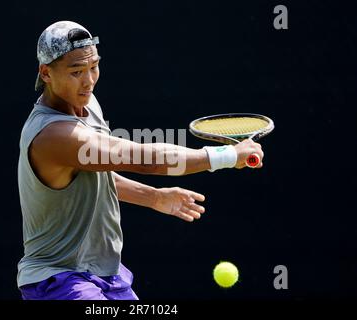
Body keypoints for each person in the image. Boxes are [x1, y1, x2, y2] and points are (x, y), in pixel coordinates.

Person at [17, 21, 264, 300]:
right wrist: (226, 156)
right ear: (46, 73)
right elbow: (146, 158)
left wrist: (153, 197)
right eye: (76, 72)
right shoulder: (54, 135)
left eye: (93, 67)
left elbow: (97, 174)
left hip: (107, 274)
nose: (88, 80)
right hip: (59, 280)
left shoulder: (87, 103)